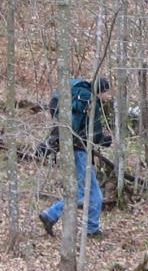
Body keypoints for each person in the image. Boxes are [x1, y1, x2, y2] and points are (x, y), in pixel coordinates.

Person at [39, 77, 113, 238]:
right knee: (87, 194)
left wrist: (99, 140)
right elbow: (86, 131)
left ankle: (90, 228)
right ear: (102, 91)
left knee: (88, 193)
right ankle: (53, 215)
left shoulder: (88, 101)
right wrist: (102, 140)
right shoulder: (89, 102)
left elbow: (87, 130)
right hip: (79, 152)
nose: (109, 96)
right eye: (107, 92)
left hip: (78, 150)